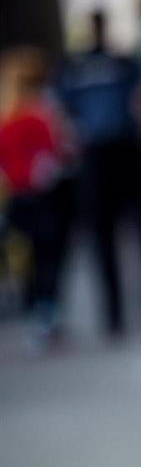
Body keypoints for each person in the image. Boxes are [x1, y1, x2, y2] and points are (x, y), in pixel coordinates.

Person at [55, 9, 141, 335]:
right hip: (119, 150)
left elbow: (65, 114)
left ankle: (118, 315)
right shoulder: (120, 63)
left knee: (109, 238)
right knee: (137, 235)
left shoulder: (78, 68)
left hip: (102, 154)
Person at [0, 48, 72, 349]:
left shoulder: (7, 120)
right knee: (48, 258)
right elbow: (57, 152)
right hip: (42, 197)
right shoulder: (39, 117)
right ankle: (46, 314)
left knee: (27, 260)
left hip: (17, 197)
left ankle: (36, 314)